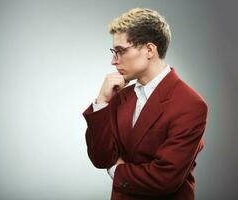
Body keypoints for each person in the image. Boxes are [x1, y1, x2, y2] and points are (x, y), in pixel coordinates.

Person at [82, 8, 208, 200]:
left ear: (149, 50)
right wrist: (101, 102)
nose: (113, 61)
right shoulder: (120, 96)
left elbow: (165, 178)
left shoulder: (190, 104)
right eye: (113, 52)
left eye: (121, 51)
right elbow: (101, 158)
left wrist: (117, 171)